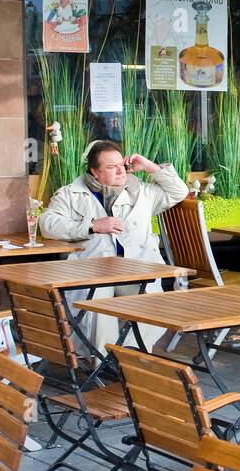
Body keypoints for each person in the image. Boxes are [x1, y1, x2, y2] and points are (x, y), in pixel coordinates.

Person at [39, 140, 189, 349]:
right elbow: (47, 224)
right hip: (94, 271)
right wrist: (92, 226)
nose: (120, 171)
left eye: (122, 165)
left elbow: (178, 191)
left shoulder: (142, 192)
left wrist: (148, 165)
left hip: (136, 270)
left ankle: (124, 354)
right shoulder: (71, 193)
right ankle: (103, 361)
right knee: (98, 301)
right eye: (111, 167)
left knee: (159, 307)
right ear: (94, 172)